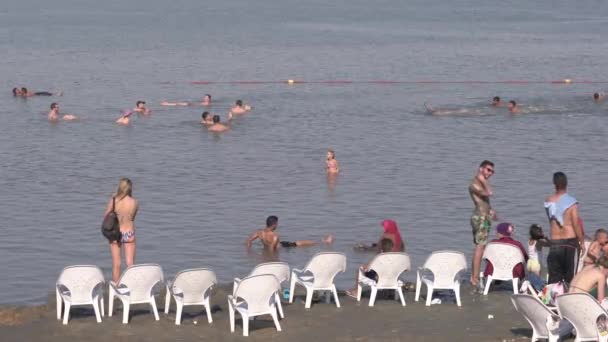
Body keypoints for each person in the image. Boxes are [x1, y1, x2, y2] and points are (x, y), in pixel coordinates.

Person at [545, 171, 585, 284]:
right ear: (566, 183)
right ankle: (568, 298)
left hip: (555, 242)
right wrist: (582, 242)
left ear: (554, 184)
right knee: (570, 277)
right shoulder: (572, 202)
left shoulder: (548, 201)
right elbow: (576, 224)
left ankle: (551, 299)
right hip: (570, 242)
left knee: (554, 278)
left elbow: (551, 220)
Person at [104, 178, 139, 283]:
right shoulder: (134, 202)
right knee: (130, 263)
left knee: (117, 263)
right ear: (130, 188)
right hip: (129, 233)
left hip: (116, 233)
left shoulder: (114, 200)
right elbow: (132, 217)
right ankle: (131, 287)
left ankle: (116, 289)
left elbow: (106, 216)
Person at [469, 160, 496, 288]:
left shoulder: (480, 183)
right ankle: (474, 279)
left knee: (479, 247)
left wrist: (491, 211)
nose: (490, 173)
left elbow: (485, 200)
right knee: (480, 247)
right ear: (481, 169)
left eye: (492, 171)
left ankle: (473, 276)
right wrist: (483, 180)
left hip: (484, 217)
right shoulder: (475, 184)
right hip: (480, 218)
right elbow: (489, 193)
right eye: (488, 170)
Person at [245, 216, 334, 251]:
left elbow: (249, 241)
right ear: (274, 225)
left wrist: (249, 251)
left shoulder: (259, 232)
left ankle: (324, 241)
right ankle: (324, 242)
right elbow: (272, 250)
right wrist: (271, 260)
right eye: (277, 223)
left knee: (298, 243)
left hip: (276, 245)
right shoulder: (274, 236)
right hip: (283, 246)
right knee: (298, 243)